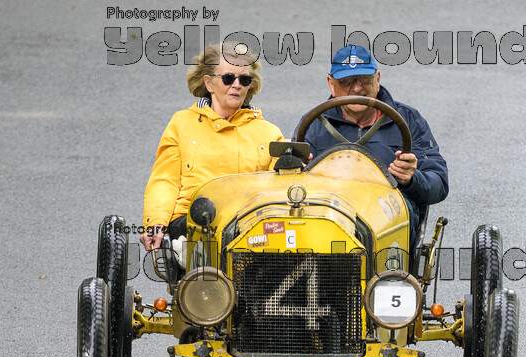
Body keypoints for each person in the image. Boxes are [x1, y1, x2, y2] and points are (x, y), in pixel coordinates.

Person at [141, 43, 285, 251]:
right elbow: (165, 181)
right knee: (207, 224)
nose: (236, 85)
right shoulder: (182, 124)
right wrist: (155, 224)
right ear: (208, 83)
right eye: (228, 78)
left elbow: (278, 190)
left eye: (244, 79)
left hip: (250, 225)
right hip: (193, 221)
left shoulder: (269, 132)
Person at [297, 44, 449, 240]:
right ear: (331, 84)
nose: (357, 88)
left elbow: (439, 182)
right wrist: (298, 169)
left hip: (386, 213)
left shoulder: (409, 120)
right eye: (346, 81)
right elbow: (288, 180)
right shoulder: (313, 123)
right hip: (328, 215)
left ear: (378, 79)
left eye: (365, 79)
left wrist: (411, 178)